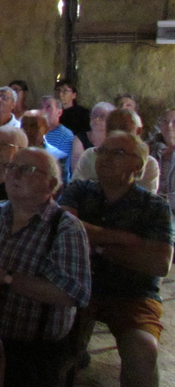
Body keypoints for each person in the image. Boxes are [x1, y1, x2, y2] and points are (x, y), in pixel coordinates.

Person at [0, 147, 91, 387]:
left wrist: (4, 277)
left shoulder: (65, 228)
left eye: (27, 169)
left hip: (32, 352)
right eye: (11, 168)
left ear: (52, 185)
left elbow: (71, 293)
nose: (14, 174)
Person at [59, 131, 174, 387]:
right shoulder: (80, 189)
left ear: (138, 166)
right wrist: (126, 239)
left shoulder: (155, 207)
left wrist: (97, 245)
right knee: (54, 345)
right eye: (103, 151)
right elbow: (63, 227)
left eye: (118, 153)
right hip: (77, 285)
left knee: (143, 352)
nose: (106, 158)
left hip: (133, 294)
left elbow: (159, 263)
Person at [73, 109, 159, 192]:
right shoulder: (91, 155)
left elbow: (144, 202)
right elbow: (73, 191)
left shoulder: (149, 164)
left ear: (138, 131)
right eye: (111, 128)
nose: (116, 134)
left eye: (124, 129)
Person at [20, 110, 69, 184]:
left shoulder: (58, 157)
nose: (28, 130)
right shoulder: (13, 154)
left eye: (33, 126)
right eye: (24, 126)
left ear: (46, 129)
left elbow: (60, 188)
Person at [71, 101, 115, 172]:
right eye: (94, 115)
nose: (96, 119)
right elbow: (77, 167)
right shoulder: (80, 138)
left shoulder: (115, 140)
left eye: (102, 116)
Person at [149, 109, 175, 212]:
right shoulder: (150, 149)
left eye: (174, 122)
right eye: (166, 121)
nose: (169, 126)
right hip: (150, 210)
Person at [41, 96, 75, 168]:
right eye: (41, 107)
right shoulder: (35, 131)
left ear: (59, 112)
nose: (43, 111)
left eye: (48, 107)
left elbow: (64, 165)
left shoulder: (66, 135)